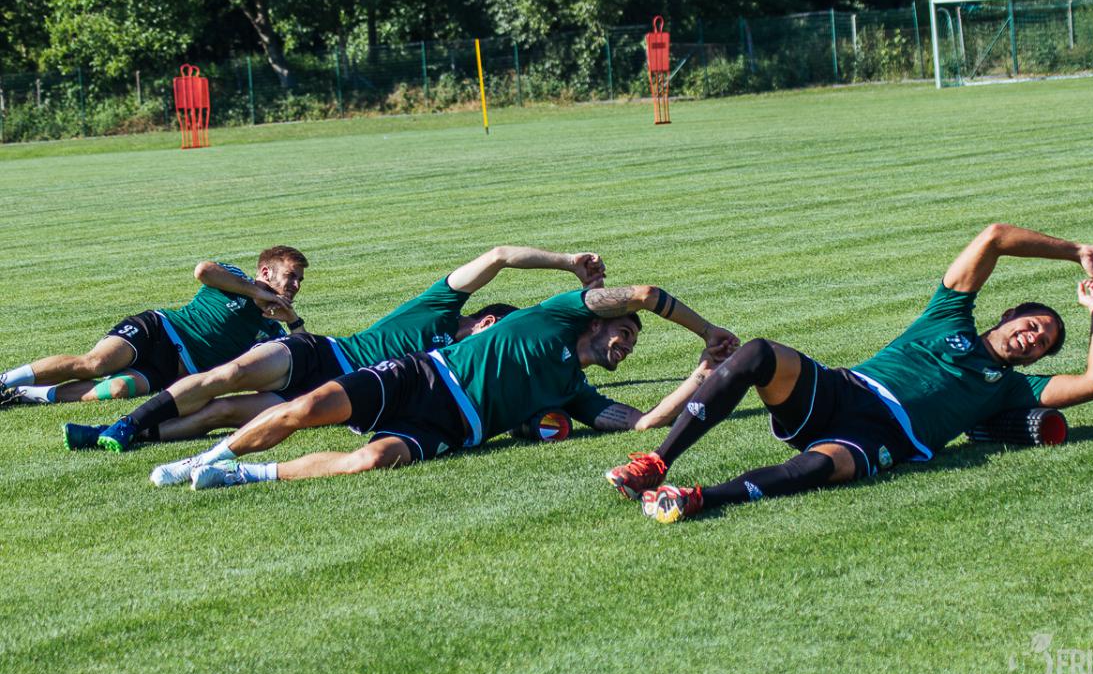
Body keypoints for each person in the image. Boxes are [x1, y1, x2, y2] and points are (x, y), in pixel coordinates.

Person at [606, 224, 1093, 523]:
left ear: (1034, 362)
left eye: (1042, 345)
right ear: (1009, 315)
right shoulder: (948, 316)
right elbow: (994, 237)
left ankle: (700, 498)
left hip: (884, 437)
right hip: (844, 389)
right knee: (759, 353)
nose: (1033, 339)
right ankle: (657, 461)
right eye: (1033, 326)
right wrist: (1079, 252)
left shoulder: (1012, 387)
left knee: (820, 468)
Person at [150, 284, 738, 490]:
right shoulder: (557, 315)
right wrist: (707, 330)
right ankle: (204, 458)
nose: (626, 345)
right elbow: (643, 294)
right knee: (306, 408)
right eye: (624, 334)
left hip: (453, 428)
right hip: (424, 377)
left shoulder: (573, 390)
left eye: (631, 343)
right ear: (597, 321)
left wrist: (700, 374)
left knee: (369, 461)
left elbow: (642, 423)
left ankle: (241, 474)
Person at [72, 246, 604, 453]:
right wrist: (568, 264)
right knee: (226, 376)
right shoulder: (439, 308)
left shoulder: (468, 370)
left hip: (336, 393)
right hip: (323, 356)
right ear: (487, 322)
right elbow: (499, 256)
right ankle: (122, 424)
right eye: (499, 335)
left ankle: (122, 436)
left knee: (225, 412)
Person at [0, 247, 307, 425]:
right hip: (159, 329)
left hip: (172, 369)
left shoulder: (271, 328)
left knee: (117, 389)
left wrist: (293, 321)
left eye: (299, 280)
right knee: (96, 364)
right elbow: (203, 270)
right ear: (265, 272)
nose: (295, 285)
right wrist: (255, 292)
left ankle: (26, 394)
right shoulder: (235, 279)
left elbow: (307, 357)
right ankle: (5, 380)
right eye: (290, 276)